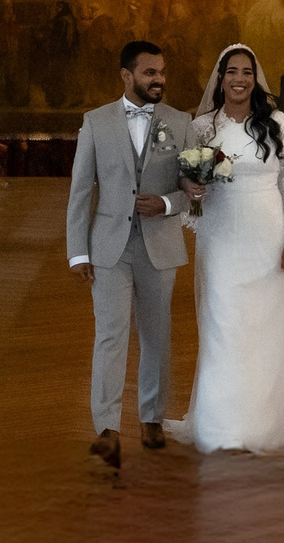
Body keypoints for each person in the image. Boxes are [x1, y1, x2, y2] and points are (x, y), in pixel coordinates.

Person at [173, 43, 284, 453]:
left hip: (266, 234)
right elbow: (192, 191)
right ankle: (222, 422)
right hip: (221, 237)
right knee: (223, 322)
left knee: (268, 324)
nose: (239, 79)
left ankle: (269, 418)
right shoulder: (203, 128)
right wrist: (192, 190)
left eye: (247, 72)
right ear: (220, 77)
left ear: (256, 78)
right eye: (231, 72)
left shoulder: (278, 123)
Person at [67, 40, 194, 467]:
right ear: (127, 76)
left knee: (157, 336)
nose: (158, 80)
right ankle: (106, 428)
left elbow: (194, 192)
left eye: (161, 72)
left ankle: (152, 418)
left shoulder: (181, 122)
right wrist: (77, 253)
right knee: (110, 334)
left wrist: (167, 204)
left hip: (160, 244)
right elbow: (81, 191)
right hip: (108, 248)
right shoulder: (95, 122)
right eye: (149, 73)